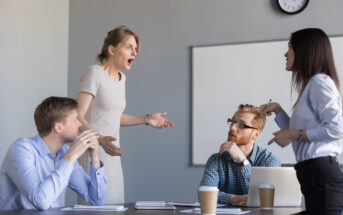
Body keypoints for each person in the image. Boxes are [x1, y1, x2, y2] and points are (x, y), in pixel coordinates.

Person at [77, 26, 174, 204]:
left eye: (136, 49)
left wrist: (146, 119)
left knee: (116, 207)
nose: (134, 53)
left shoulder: (122, 79)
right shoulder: (94, 73)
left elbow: (114, 117)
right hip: (93, 154)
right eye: (129, 47)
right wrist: (99, 139)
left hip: (113, 158)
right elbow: (77, 116)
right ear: (112, 49)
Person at [260, 28, 343, 215]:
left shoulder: (320, 82)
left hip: (321, 173)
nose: (285, 53)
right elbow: (297, 132)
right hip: (312, 174)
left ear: (305, 50)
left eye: (289, 47)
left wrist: (294, 134)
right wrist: (278, 110)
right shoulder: (312, 85)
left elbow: (337, 129)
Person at [0, 97, 106, 211]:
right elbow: (41, 201)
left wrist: (94, 157)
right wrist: (70, 157)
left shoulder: (64, 153)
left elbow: (96, 200)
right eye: (75, 119)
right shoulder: (21, 150)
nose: (80, 124)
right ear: (58, 127)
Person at [200, 104, 281, 205]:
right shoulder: (216, 159)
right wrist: (234, 198)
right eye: (232, 122)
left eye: (242, 125)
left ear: (256, 134)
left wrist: (242, 161)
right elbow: (205, 194)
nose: (232, 127)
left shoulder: (270, 161)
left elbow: (261, 198)